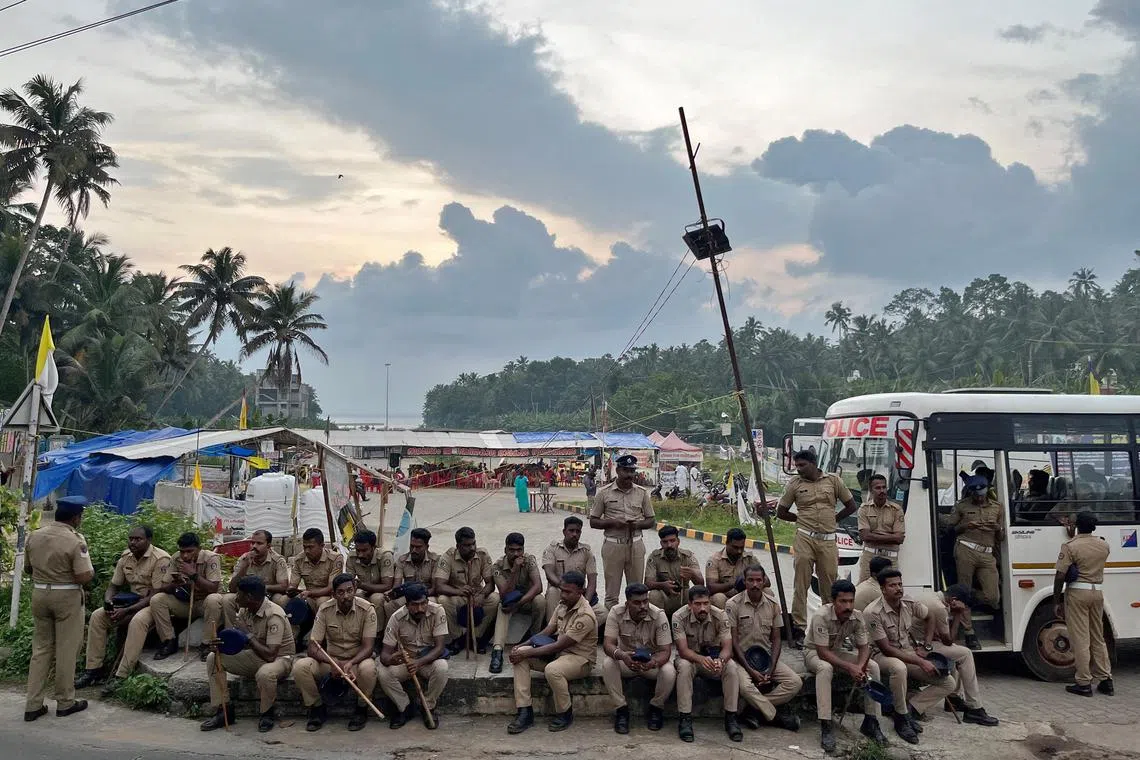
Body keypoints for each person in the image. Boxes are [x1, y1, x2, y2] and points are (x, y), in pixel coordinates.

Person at [23, 496, 95, 722]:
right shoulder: (75, 540)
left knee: (41, 650)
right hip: (66, 596)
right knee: (66, 650)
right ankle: (65, 701)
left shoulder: (34, 535)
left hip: (39, 593)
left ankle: (33, 704)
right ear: (76, 518)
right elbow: (83, 576)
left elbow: (27, 569)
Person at [775, 449, 858, 644]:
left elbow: (851, 505)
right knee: (801, 584)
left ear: (813, 464)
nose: (799, 469)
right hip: (804, 537)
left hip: (828, 539)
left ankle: (832, 629)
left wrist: (834, 520)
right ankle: (798, 629)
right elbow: (781, 511)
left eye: (802, 465)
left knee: (829, 585)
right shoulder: (795, 484)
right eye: (796, 466)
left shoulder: (833, 480)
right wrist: (800, 519)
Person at [865, 569, 955, 745]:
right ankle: (900, 718)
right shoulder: (873, 612)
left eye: (900, 584)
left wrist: (926, 646)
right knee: (898, 668)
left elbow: (930, 617)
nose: (898, 588)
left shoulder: (909, 602)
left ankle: (911, 709)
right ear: (882, 589)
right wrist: (921, 661)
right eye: (892, 585)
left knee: (948, 682)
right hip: (880, 655)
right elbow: (886, 649)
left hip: (907, 652)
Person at [76, 525, 170, 688]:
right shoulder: (126, 557)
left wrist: (126, 611)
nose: (133, 543)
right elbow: (114, 585)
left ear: (148, 540)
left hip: (152, 604)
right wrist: (108, 601)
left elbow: (155, 595)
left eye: (138, 539)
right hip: (130, 602)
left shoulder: (161, 559)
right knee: (98, 616)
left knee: (137, 621)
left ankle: (122, 675)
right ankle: (93, 671)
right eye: (131, 539)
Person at [507, 570, 598, 734]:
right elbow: (547, 631)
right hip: (559, 655)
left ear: (581, 592)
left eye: (568, 592)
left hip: (580, 660)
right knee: (520, 657)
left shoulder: (585, 615)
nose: (563, 594)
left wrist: (527, 653)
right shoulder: (563, 605)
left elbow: (559, 646)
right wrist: (521, 646)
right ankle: (524, 711)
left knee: (552, 670)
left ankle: (565, 713)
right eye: (562, 590)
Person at [200, 576, 295, 732]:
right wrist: (219, 645)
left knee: (265, 673)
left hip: (280, 659)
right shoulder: (245, 610)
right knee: (213, 658)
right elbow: (238, 642)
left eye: (239, 594)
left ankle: (266, 713)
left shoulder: (274, 615)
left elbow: (271, 655)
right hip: (257, 655)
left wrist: (247, 634)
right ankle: (223, 710)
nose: (236, 598)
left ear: (249, 597)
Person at [805, 579, 888, 752]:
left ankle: (871, 721)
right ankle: (826, 724)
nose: (848, 606)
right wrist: (851, 667)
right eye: (843, 601)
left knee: (872, 666)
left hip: (836, 651)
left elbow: (864, 647)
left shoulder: (856, 616)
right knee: (825, 668)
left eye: (851, 601)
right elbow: (822, 653)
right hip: (814, 652)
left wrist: (860, 666)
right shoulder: (822, 616)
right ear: (833, 601)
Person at [292, 573, 378, 732]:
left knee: (369, 669)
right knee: (300, 667)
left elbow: (368, 647)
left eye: (350, 590)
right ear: (333, 594)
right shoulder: (324, 610)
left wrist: (350, 663)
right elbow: (313, 647)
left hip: (356, 662)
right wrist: (332, 662)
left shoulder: (367, 609)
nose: (346, 596)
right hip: (331, 663)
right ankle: (317, 708)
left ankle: (361, 708)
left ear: (355, 589)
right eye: (341, 592)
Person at [726, 564, 803, 731]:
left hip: (765, 658)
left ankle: (754, 709)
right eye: (750, 580)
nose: (754, 584)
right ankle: (777, 718)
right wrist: (749, 669)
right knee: (746, 686)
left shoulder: (773, 604)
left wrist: (771, 668)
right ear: (744, 582)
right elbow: (733, 641)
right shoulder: (733, 604)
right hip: (741, 659)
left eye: (758, 580)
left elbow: (776, 639)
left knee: (795, 682)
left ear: (764, 582)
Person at [909, 585, 999, 725]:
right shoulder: (940, 608)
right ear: (954, 600)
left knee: (956, 653)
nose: (965, 610)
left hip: (916, 641)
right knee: (965, 654)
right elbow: (949, 640)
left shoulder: (931, 596)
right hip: (918, 646)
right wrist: (957, 615)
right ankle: (975, 708)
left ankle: (954, 698)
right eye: (965, 607)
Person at [671, 585, 743, 742]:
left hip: (713, 659)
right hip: (690, 659)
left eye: (706, 603)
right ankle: (685, 718)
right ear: (689, 605)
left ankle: (731, 717)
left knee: (730, 666)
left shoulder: (721, 616)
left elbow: (727, 648)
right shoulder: (678, 616)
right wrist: (701, 659)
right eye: (697, 604)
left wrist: (720, 660)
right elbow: (683, 650)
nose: (703, 608)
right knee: (683, 667)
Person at [202, 529, 288, 658]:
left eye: (259, 543)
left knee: (280, 599)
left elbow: (283, 585)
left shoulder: (277, 560)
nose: (254, 546)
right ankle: (234, 639)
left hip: (266, 597)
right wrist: (244, 567)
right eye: (252, 543)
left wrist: (258, 588)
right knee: (228, 599)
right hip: (247, 598)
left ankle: (267, 640)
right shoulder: (244, 558)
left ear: (269, 546)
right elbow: (232, 588)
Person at [602, 583, 675, 734]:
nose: (643, 606)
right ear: (627, 603)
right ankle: (621, 710)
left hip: (650, 664)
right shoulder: (616, 612)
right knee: (608, 663)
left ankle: (656, 708)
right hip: (627, 661)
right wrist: (622, 655)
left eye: (645, 601)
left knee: (669, 670)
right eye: (637, 602)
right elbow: (608, 644)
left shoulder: (658, 615)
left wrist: (653, 662)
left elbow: (665, 651)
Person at [1054, 510, 1113, 697]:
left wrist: (1057, 599)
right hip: (1097, 591)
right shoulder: (1103, 545)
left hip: (1078, 593)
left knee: (1080, 638)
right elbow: (1087, 547)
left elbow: (1061, 574)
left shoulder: (1070, 546)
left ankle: (1084, 682)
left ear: (1077, 525)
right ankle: (1106, 679)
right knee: (1098, 637)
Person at [377, 583, 449, 730]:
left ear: (427, 601)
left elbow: (440, 647)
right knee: (383, 672)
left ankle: (427, 706)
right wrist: (391, 659)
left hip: (427, 659)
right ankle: (405, 707)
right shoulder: (396, 618)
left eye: (423, 603)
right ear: (407, 604)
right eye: (415, 605)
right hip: (406, 661)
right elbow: (384, 654)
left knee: (442, 668)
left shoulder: (438, 611)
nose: (420, 609)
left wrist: (419, 662)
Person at [590, 454, 656, 609]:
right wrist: (613, 522)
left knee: (637, 591)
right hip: (613, 546)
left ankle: (635, 626)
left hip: (636, 545)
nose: (629, 475)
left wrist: (638, 525)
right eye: (626, 471)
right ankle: (610, 626)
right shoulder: (603, 492)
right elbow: (593, 521)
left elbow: (651, 520)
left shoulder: (642, 493)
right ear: (618, 470)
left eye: (632, 471)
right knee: (612, 594)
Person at [149, 532, 222, 660]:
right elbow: (164, 586)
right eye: (182, 551)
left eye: (189, 551)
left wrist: (193, 575)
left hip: (204, 603)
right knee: (157, 599)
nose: (185, 555)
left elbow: (213, 588)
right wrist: (175, 585)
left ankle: (206, 644)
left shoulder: (211, 558)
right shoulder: (176, 558)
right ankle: (169, 641)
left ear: (199, 549)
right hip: (185, 602)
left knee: (214, 599)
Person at [940, 475, 1003, 611]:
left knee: (992, 596)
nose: (979, 497)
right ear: (970, 492)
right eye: (975, 494)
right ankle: (968, 628)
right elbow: (950, 529)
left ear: (986, 491)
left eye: (981, 494)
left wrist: (998, 528)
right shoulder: (962, 505)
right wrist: (965, 526)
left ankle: (957, 596)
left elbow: (1002, 536)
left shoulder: (997, 508)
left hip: (987, 553)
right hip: (966, 549)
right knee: (964, 589)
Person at [433, 526, 498, 653]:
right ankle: (458, 638)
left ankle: (475, 636)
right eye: (467, 545)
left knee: (495, 598)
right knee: (443, 600)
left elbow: (490, 583)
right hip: (457, 595)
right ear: (458, 546)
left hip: (477, 595)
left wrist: (482, 595)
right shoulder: (448, 557)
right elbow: (439, 586)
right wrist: (459, 591)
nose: (472, 548)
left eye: (473, 543)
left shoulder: (482, 554)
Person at [489, 532, 545, 673]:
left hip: (525, 601)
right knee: (502, 606)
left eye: (519, 550)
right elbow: (505, 594)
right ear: (505, 550)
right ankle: (497, 652)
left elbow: (538, 587)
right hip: (509, 603)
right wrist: (514, 571)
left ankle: (535, 640)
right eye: (512, 550)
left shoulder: (529, 559)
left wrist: (519, 604)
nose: (516, 554)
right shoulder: (497, 566)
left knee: (540, 600)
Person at [542, 516, 606, 625]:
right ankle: (554, 631)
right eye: (571, 531)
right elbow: (549, 573)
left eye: (578, 531)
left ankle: (573, 629)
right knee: (552, 591)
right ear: (564, 532)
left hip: (578, 595)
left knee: (603, 614)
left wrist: (585, 602)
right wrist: (565, 589)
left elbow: (592, 581)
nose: (574, 534)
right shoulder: (552, 549)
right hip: (560, 592)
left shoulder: (586, 552)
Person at [645, 525, 704, 617]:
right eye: (665, 542)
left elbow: (701, 584)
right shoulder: (654, 557)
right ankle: (660, 623)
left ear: (678, 542)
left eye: (672, 541)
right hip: (664, 597)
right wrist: (663, 585)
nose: (669, 545)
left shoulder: (687, 557)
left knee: (696, 594)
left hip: (683, 597)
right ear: (661, 543)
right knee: (653, 595)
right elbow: (648, 583)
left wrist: (692, 574)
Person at [345, 529, 395, 636]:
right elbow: (349, 581)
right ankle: (357, 633)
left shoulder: (384, 556)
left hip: (381, 591)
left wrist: (363, 586)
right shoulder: (352, 557)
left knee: (376, 599)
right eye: (358, 550)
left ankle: (377, 635)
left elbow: (387, 585)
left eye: (364, 550)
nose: (360, 554)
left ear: (373, 548)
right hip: (364, 589)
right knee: (356, 596)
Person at [289, 527, 346, 619]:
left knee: (322, 602)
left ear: (322, 546)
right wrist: (291, 590)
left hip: (327, 596)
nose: (307, 551)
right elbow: (293, 585)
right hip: (308, 596)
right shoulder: (299, 559)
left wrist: (310, 593)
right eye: (304, 547)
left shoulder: (335, 558)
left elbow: (331, 588)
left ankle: (322, 629)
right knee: (285, 601)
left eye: (311, 547)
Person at [857, 474, 905, 582]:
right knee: (864, 589)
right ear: (871, 490)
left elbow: (899, 538)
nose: (882, 490)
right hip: (869, 557)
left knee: (891, 590)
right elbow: (865, 536)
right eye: (878, 488)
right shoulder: (864, 509)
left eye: (884, 487)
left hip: (890, 558)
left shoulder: (896, 510)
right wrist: (890, 537)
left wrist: (872, 536)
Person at [704, 527, 758, 609]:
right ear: (727, 543)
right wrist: (735, 583)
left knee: (767, 592)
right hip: (726, 598)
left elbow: (766, 581)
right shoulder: (715, 560)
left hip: (746, 596)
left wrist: (751, 581)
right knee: (718, 598)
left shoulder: (750, 559)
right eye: (735, 547)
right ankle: (724, 621)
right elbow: (711, 587)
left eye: (742, 547)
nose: (739, 551)